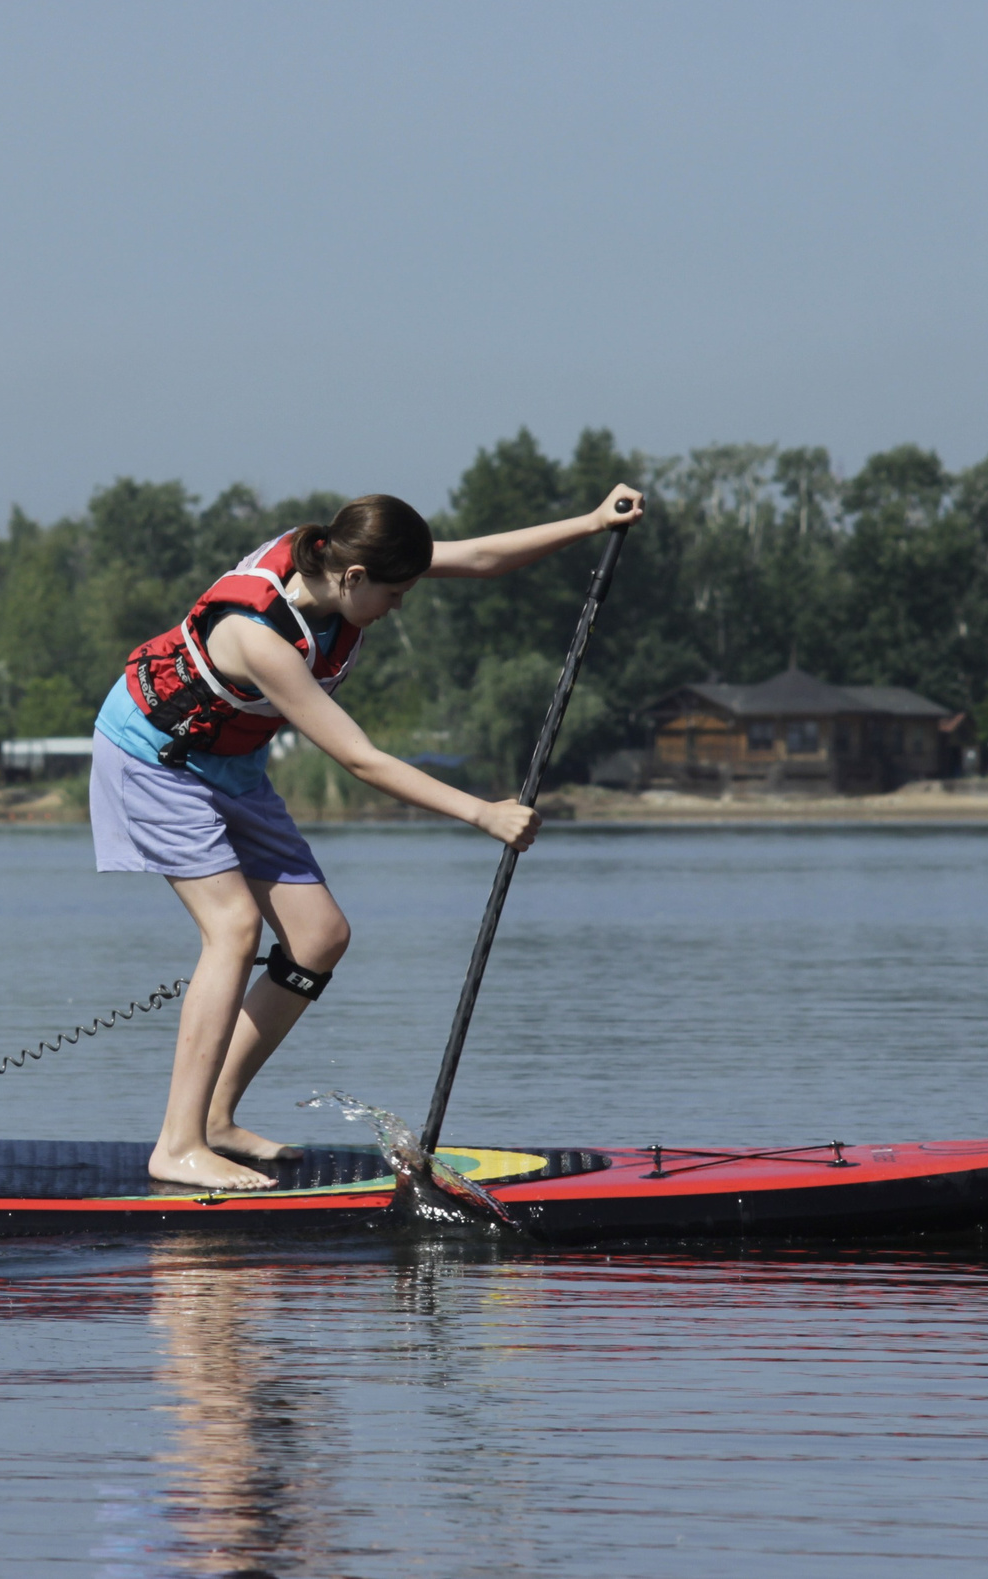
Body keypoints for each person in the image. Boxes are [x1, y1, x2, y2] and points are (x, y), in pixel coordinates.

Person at [92, 486, 646, 1190]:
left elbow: (479, 558)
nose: (398, 607)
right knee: (232, 929)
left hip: (230, 763)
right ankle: (177, 1144)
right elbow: (361, 759)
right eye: (394, 595)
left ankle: (217, 1118)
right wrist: (482, 813)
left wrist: (592, 522)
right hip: (153, 759)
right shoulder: (258, 636)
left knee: (319, 937)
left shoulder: (347, 561)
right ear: (354, 577)